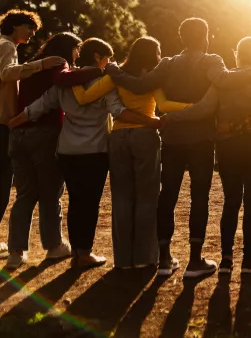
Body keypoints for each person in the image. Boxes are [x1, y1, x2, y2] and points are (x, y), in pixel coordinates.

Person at [107, 18, 251, 278]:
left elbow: (139, 85)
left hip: (172, 138)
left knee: (168, 195)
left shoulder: (167, 63)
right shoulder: (211, 61)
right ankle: (195, 261)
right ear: (206, 37)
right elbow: (225, 79)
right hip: (201, 139)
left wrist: (113, 70)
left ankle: (164, 259)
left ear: (181, 38)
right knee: (199, 197)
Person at [8, 38, 160, 269]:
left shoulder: (65, 83)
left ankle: (76, 253)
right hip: (94, 151)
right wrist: (151, 121)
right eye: (107, 58)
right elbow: (118, 111)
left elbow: (38, 107)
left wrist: (13, 123)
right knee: (90, 204)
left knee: (76, 202)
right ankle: (84, 253)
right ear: (98, 57)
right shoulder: (104, 83)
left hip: (68, 151)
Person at [162, 37, 251, 275]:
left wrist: (171, 117)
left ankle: (226, 260)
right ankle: (248, 260)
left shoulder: (222, 83)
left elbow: (203, 108)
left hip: (228, 147)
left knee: (231, 201)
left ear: (238, 55)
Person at [70, 36, 189, 270]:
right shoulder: (152, 77)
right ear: (152, 54)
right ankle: (145, 258)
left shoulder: (115, 75)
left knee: (122, 198)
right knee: (147, 197)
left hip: (118, 138)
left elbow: (84, 97)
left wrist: (72, 76)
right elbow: (163, 105)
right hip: (145, 136)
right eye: (158, 51)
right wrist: (192, 108)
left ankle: (123, 260)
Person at [5, 32, 101, 270]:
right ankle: (54, 245)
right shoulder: (58, 63)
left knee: (25, 194)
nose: (77, 54)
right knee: (50, 192)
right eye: (77, 49)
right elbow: (63, 79)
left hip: (19, 134)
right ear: (69, 48)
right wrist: (100, 70)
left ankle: (16, 252)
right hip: (44, 133)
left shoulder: (34, 65)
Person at [0, 9, 64, 259]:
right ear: (16, 25)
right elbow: (6, 73)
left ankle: (14, 248)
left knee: (14, 187)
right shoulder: (6, 45)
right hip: (4, 123)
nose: (32, 34)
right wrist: (41, 65)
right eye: (29, 28)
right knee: (4, 182)